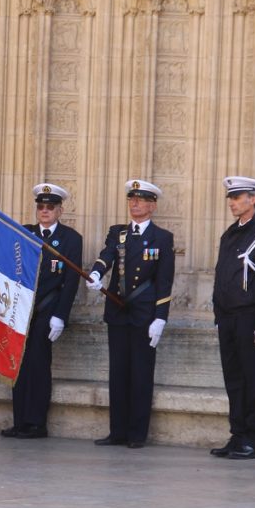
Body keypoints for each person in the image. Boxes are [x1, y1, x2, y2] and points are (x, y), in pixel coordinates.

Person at [86, 179, 174, 449]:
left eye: (140, 200)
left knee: (141, 374)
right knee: (119, 372)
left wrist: (160, 317)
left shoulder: (162, 238)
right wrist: (96, 273)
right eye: (131, 199)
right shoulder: (119, 233)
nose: (134, 204)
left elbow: (164, 280)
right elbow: (106, 256)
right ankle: (118, 431)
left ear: (152, 206)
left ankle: (137, 434)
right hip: (118, 311)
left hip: (145, 314)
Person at [210, 176, 255, 460]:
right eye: (230, 197)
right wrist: (218, 313)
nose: (232, 202)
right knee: (234, 378)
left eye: (238, 197)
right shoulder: (230, 234)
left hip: (249, 317)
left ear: (253, 199)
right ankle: (237, 434)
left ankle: (252, 438)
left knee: (253, 379)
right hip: (228, 318)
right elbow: (222, 276)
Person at [1, 183, 82, 440]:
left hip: (48, 309)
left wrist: (61, 315)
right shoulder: (24, 233)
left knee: (38, 365)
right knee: (18, 365)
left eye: (50, 207)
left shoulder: (71, 239)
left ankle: (36, 423)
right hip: (22, 310)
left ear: (60, 210)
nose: (44, 211)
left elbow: (70, 281)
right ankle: (20, 421)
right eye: (41, 206)